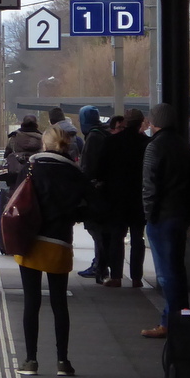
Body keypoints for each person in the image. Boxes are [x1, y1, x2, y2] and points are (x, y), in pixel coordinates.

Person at [15, 125, 87, 376]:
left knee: (31, 302)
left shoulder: (31, 169)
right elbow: (88, 204)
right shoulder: (73, 172)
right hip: (59, 243)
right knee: (59, 304)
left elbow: (16, 201)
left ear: (44, 145)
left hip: (31, 242)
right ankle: (62, 362)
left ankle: (31, 360)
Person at [140, 102, 190, 338]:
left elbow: (149, 185)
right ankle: (182, 317)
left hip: (162, 216)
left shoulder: (155, 147)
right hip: (180, 214)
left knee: (167, 273)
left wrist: (148, 215)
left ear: (155, 123)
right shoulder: (185, 146)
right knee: (177, 270)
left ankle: (171, 323)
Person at [96, 108, 151, 288]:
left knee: (116, 237)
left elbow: (100, 169)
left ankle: (116, 276)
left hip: (116, 196)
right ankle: (136, 278)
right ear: (141, 122)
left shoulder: (111, 142)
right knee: (137, 238)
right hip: (138, 197)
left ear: (125, 122)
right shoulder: (146, 144)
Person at [0, 115, 44, 252]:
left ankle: (7, 244)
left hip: (14, 181)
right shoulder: (42, 139)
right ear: (36, 124)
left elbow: (6, 155)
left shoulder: (14, 138)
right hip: (33, 181)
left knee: (9, 210)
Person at [77, 105, 111, 283]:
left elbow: (88, 167)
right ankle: (101, 264)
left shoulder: (94, 137)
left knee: (96, 230)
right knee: (103, 232)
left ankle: (100, 265)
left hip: (96, 192)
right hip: (108, 190)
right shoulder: (106, 133)